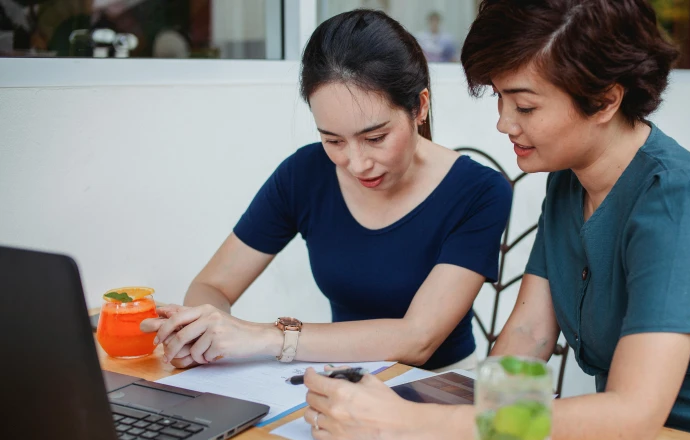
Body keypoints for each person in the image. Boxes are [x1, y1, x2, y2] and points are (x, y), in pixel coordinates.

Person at [298, 0, 690, 440]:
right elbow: (528, 336)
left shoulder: (681, 201)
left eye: (525, 107)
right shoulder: (569, 184)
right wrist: (423, 409)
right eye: (500, 99)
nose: (503, 124)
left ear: (606, 99)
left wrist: (414, 427)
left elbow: (631, 418)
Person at [140, 10, 512, 373]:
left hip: (439, 388)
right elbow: (211, 285)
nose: (356, 163)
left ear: (420, 107)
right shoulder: (304, 174)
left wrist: (268, 337)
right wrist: (203, 333)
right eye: (333, 140)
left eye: (375, 137)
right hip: (340, 382)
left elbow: (418, 339)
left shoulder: (479, 192)